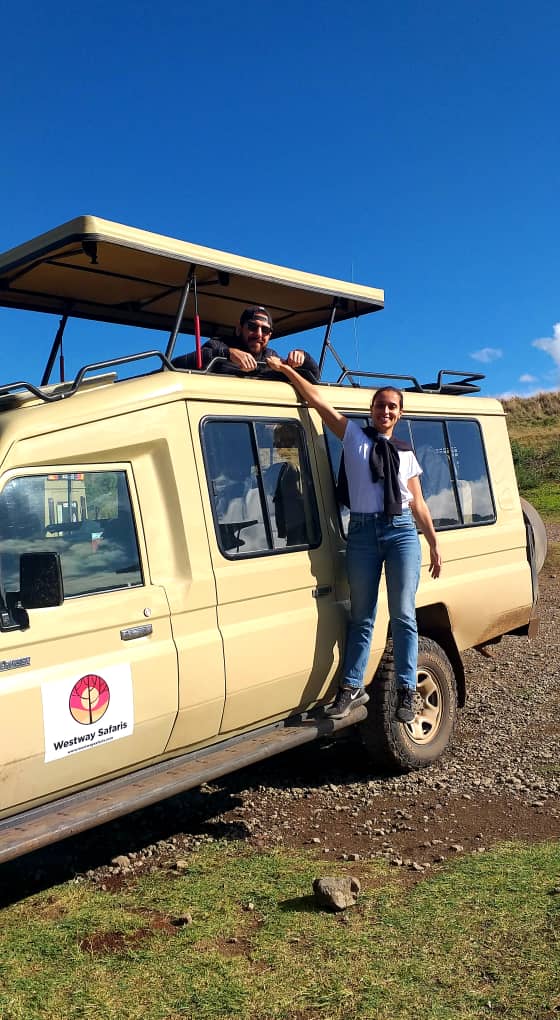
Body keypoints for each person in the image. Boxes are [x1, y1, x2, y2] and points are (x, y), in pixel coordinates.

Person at [265, 354, 442, 722]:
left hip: (402, 534)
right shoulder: (353, 435)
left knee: (403, 615)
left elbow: (419, 504)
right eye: (381, 405)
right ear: (372, 409)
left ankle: (406, 690)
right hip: (361, 533)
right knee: (362, 616)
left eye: (393, 407)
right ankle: (351, 687)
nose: (386, 412)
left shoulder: (406, 453)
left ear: (400, 414)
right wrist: (285, 371)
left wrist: (435, 543)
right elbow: (316, 399)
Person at [173, 306, 320, 382]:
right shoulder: (218, 346)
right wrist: (227, 353)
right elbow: (173, 366)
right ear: (239, 328)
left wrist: (303, 356)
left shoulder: (272, 358)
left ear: (270, 335)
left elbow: (314, 378)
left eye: (265, 330)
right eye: (252, 327)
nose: (259, 334)